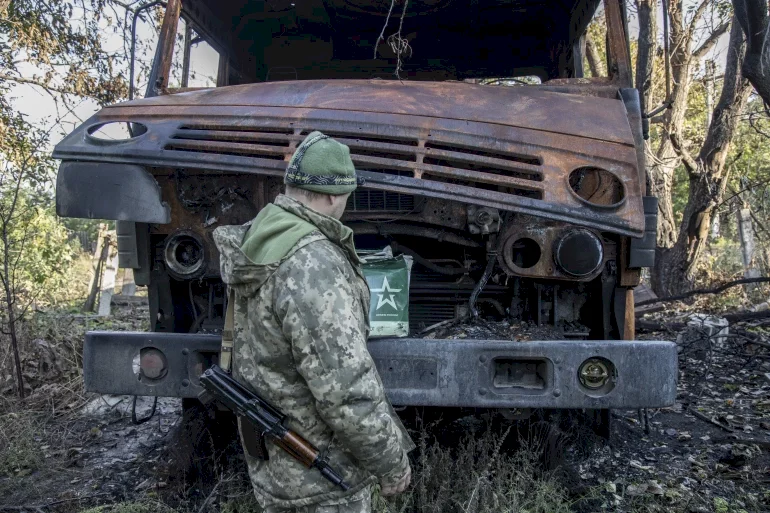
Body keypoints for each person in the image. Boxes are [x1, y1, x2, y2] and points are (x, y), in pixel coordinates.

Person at [214, 131, 415, 513]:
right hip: (323, 476)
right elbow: (345, 389)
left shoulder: (261, 240)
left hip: (276, 468)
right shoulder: (313, 263)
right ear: (333, 196)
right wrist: (390, 463)